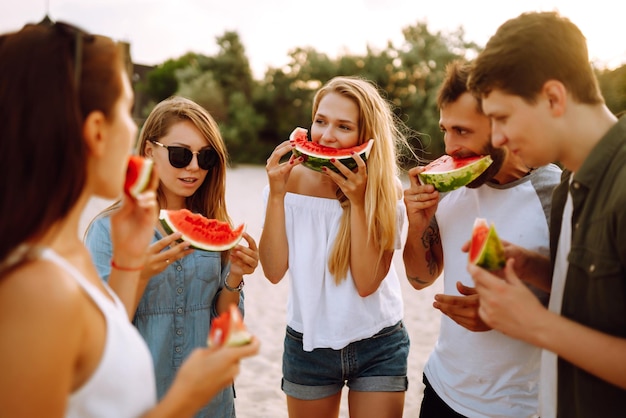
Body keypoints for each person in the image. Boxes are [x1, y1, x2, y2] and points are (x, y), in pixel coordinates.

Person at [0, 20, 259, 417]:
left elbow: (108, 358)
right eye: (126, 109)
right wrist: (186, 397)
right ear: (97, 131)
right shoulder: (36, 289)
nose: (132, 128)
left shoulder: (68, 256)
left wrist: (126, 264)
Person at [465, 11, 626, 418]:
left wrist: (535, 324)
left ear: (553, 97)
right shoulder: (569, 180)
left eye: (502, 117)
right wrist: (537, 269)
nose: (496, 138)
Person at [402, 60, 561, 417]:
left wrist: (503, 315)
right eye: (445, 130)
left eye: (462, 131)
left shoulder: (555, 194)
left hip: (518, 406)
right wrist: (417, 224)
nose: (450, 146)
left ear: (501, 125)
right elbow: (420, 278)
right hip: (441, 390)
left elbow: (582, 304)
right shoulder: (450, 187)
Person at [84, 95, 259, 417]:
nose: (194, 167)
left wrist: (234, 277)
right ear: (150, 151)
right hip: (142, 400)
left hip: (211, 400)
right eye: (180, 155)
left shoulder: (216, 224)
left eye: (205, 157)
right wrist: (137, 275)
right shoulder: (107, 230)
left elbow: (224, 322)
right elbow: (100, 334)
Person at [259, 76, 411, 418]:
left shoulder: (386, 191)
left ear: (365, 137)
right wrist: (277, 194)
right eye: (320, 121)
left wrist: (358, 203)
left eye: (343, 126)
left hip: (378, 342)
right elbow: (271, 271)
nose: (326, 136)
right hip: (306, 344)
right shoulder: (289, 182)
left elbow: (367, 282)